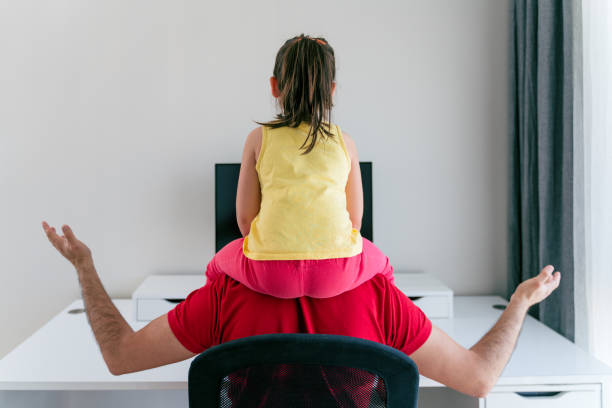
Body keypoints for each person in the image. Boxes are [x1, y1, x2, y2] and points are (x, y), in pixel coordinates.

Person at [41, 221, 561, 398]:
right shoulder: (379, 298)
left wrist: (84, 267)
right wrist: (518, 302)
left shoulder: (225, 296)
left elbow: (120, 354)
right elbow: (478, 379)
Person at [206, 34, 394, 299]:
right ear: (331, 90)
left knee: (217, 264)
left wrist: (272, 249)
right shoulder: (346, 142)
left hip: (270, 274)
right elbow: (355, 221)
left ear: (274, 86)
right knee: (383, 265)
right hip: (337, 273)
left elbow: (245, 220)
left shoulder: (258, 138)